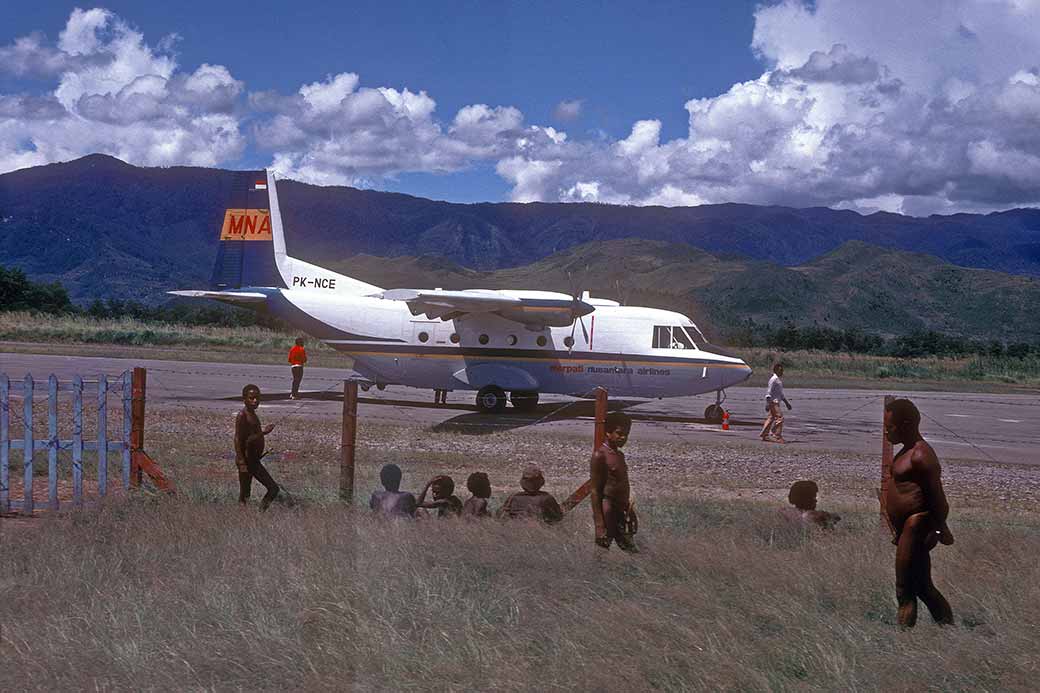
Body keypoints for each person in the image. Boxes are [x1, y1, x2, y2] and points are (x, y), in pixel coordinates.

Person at [884, 398, 955, 629]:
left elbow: (938, 498)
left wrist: (940, 529)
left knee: (904, 589)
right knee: (923, 587)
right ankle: (949, 630)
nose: (886, 432)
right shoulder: (905, 452)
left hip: (916, 526)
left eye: (890, 427)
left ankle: (902, 646)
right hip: (907, 529)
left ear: (905, 424)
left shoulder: (921, 455)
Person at [590, 411, 638, 552]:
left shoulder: (619, 455)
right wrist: (599, 523)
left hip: (621, 507)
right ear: (608, 432)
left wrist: (628, 508)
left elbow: (622, 483)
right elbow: (595, 491)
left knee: (625, 546)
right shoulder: (600, 456)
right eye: (619, 433)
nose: (623, 437)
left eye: (626, 434)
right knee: (605, 544)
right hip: (609, 508)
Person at [234, 384, 280, 510]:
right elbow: (240, 439)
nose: (255, 401)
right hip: (247, 461)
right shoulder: (242, 415)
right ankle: (259, 513)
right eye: (251, 398)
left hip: (253, 459)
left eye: (257, 398)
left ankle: (255, 515)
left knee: (246, 493)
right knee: (272, 488)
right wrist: (242, 462)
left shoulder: (252, 414)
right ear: (244, 399)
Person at [497, 467, 563, 523]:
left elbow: (500, 515)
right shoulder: (546, 498)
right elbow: (558, 518)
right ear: (541, 482)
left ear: (522, 483)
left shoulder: (513, 497)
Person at [761, 363, 792, 443]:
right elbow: (769, 392)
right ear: (776, 370)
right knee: (780, 418)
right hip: (773, 402)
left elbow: (780, 394)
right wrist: (768, 403)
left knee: (770, 418)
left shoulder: (778, 380)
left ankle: (764, 434)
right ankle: (776, 435)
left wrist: (787, 403)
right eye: (780, 370)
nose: (782, 372)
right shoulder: (773, 379)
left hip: (776, 401)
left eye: (782, 370)